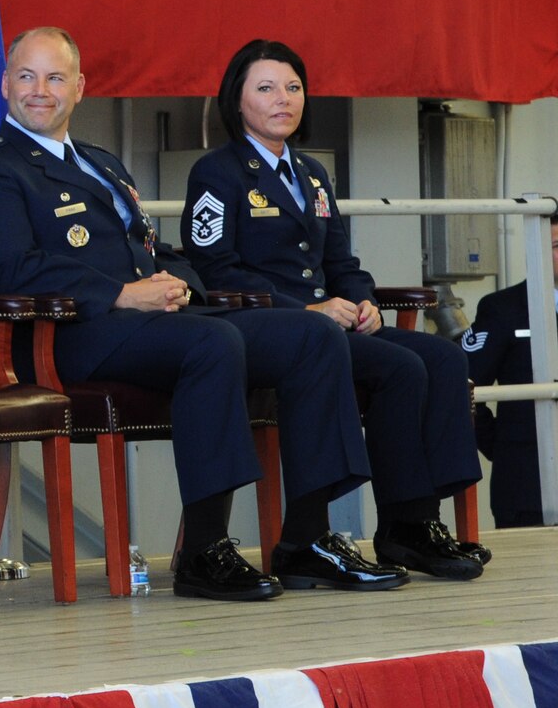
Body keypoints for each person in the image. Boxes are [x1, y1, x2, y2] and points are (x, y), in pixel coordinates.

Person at [0, 27, 396, 601]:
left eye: (55, 77)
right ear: (5, 84)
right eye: (28, 77)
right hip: (70, 339)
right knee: (214, 347)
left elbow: (155, 250)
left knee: (309, 336)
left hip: (154, 324)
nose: (41, 90)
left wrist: (178, 286)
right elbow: (10, 268)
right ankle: (204, 552)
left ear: (79, 88)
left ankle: (306, 539)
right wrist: (121, 294)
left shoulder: (101, 164)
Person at [181, 38, 487, 579]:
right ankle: (306, 538)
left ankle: (409, 526)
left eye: (294, 87)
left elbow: (341, 261)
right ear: (238, 100)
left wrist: (364, 300)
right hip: (264, 328)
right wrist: (309, 310)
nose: (284, 99)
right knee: (398, 366)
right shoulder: (218, 172)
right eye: (267, 88)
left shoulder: (312, 174)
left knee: (439, 357)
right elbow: (215, 269)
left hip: (333, 324)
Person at [463, 219, 558, 527]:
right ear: (536, 253)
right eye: (556, 247)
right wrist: (503, 447)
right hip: (527, 484)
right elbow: (463, 386)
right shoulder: (503, 308)